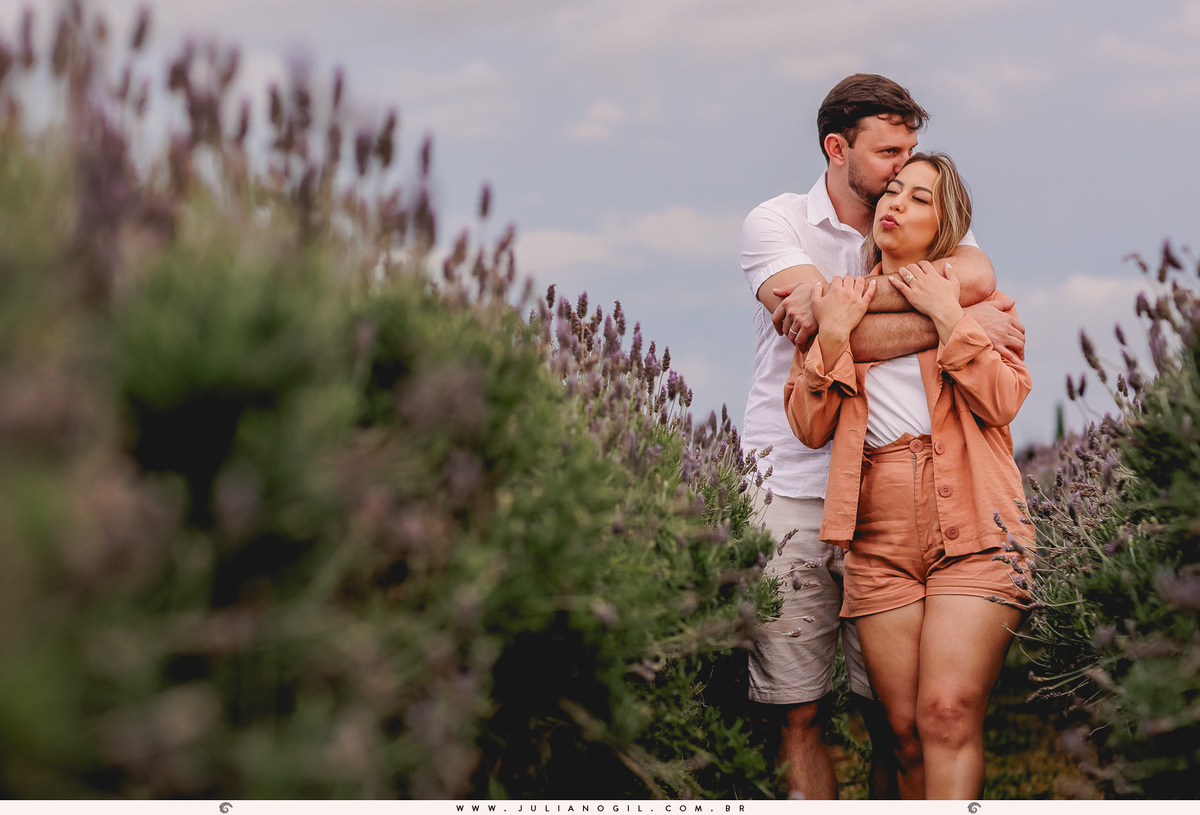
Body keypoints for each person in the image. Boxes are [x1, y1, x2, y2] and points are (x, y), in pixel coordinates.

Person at [739, 73, 1025, 800]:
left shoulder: (952, 260)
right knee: (814, 709)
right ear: (839, 149)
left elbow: (981, 282)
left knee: (929, 713)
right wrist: (944, 315)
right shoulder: (777, 223)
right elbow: (809, 338)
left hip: (958, 504)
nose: (901, 177)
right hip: (823, 496)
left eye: (914, 169)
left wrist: (863, 313)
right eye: (891, 159)